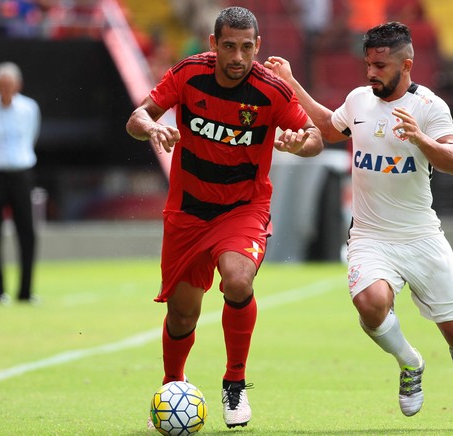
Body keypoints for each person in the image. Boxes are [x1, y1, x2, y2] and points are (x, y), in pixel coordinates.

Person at [265, 22, 453, 430]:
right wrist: (290, 84)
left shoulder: (430, 107)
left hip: (421, 238)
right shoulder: (359, 100)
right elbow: (328, 129)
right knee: (370, 304)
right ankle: (410, 361)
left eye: (379, 65)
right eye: (368, 64)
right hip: (370, 237)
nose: (370, 72)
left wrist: (420, 141)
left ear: (406, 64)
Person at [125, 6, 323, 430]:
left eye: (246, 47)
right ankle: (171, 387)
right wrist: (152, 126)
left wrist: (297, 142)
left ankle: (234, 383)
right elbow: (137, 117)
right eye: (229, 46)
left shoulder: (271, 91)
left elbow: (315, 137)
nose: (237, 57)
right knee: (183, 316)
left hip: (243, 208)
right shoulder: (187, 73)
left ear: (257, 47)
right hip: (188, 210)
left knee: (237, 280)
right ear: (213, 44)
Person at [0, 62, 40, 306]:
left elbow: (32, 137)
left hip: (21, 175)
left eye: (10, 84)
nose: (6, 88)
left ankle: (25, 292)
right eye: (2, 84)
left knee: (27, 233)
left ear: (18, 85)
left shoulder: (29, 108)